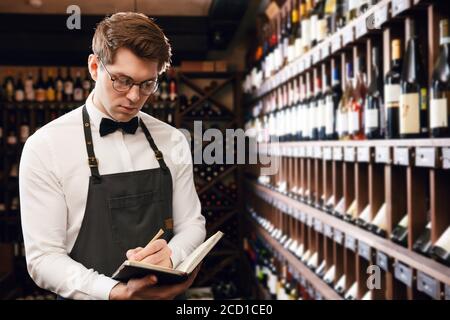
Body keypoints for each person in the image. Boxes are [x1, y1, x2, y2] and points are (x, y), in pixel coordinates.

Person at [19, 12, 206, 300]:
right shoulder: (45, 147)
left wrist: (171, 254)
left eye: (147, 84)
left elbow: (192, 225)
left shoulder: (172, 140)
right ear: (94, 67)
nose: (134, 96)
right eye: (122, 80)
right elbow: (43, 258)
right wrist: (116, 292)